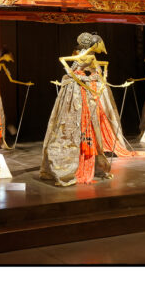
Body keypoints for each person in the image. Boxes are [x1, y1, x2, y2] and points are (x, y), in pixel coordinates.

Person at [40, 32, 113, 186]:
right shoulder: (86, 55)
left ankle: (80, 164)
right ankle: (67, 168)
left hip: (77, 90)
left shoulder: (85, 55)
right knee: (71, 126)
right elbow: (66, 61)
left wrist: (87, 77)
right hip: (76, 92)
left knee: (80, 125)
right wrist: (81, 77)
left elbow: (97, 70)